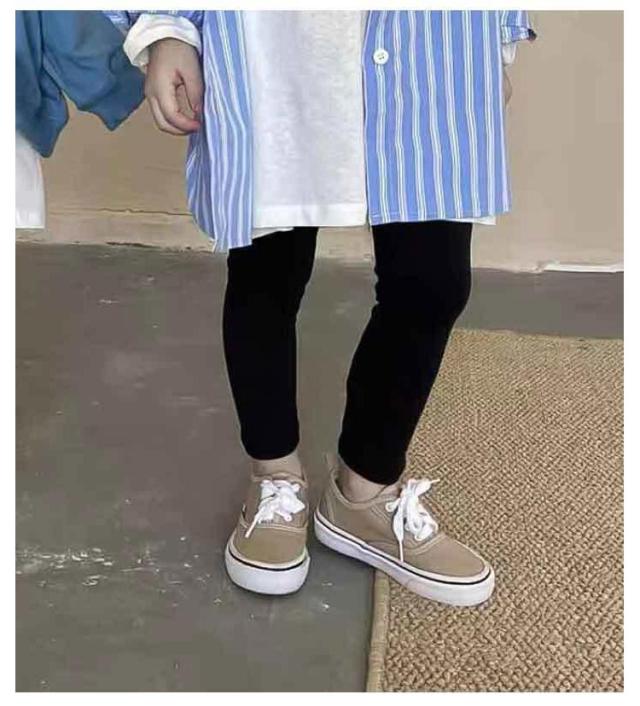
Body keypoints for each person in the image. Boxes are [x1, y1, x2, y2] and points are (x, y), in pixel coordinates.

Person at [107, 10, 535, 605]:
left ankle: (364, 494)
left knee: (432, 281)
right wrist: (165, 27)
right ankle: (274, 477)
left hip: (433, 34)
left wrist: (497, 36)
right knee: (267, 274)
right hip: (274, 43)